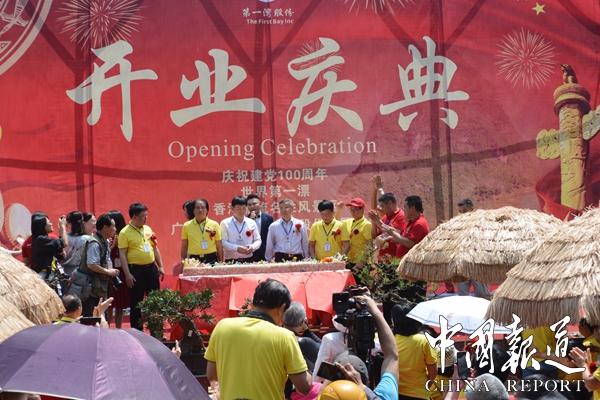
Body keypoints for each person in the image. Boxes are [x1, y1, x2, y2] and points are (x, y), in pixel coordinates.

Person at [205, 279, 312, 399]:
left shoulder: (222, 327)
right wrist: (303, 365)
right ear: (281, 308)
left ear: (252, 303)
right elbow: (304, 387)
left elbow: (212, 375)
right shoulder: (285, 337)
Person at [318, 294, 399, 400]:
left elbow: (323, 392)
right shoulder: (383, 396)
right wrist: (375, 311)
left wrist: (334, 376)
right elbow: (392, 356)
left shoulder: (325, 396)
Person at [119, 203, 165, 330]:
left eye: (146, 215)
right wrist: (127, 274)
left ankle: (156, 329)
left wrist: (161, 266)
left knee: (155, 299)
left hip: (151, 269)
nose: (146, 218)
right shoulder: (125, 232)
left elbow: (155, 248)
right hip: (136, 270)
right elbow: (122, 254)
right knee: (136, 302)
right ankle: (137, 331)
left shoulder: (148, 229)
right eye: (143, 216)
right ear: (134, 217)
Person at [383, 196, 429, 301]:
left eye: (405, 206)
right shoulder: (412, 222)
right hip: (407, 269)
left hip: (414, 270)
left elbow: (409, 243)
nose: (403, 209)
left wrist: (393, 233)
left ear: (412, 208)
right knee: (404, 298)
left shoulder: (419, 223)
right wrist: (393, 238)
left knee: (412, 299)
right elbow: (404, 240)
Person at [391, 302, 437, 399]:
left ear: (393, 321)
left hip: (395, 393)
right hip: (420, 393)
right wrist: (424, 387)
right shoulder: (423, 340)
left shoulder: (389, 341)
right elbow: (433, 371)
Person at [77, 214, 118, 317]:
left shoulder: (104, 241)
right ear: (105, 227)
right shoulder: (94, 242)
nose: (115, 229)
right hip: (90, 289)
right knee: (92, 318)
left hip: (99, 287)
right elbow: (91, 264)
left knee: (100, 317)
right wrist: (108, 272)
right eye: (113, 226)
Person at [455, 199, 491, 300]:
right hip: (462, 264)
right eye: (460, 212)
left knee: (482, 294)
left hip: (479, 264)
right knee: (462, 296)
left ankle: (486, 311)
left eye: (464, 211)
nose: (462, 214)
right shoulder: (456, 225)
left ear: (472, 209)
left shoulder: (483, 224)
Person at [335, 198, 372, 279]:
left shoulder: (366, 224)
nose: (353, 212)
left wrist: (362, 262)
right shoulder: (348, 222)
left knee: (360, 286)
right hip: (348, 262)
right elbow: (335, 223)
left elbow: (370, 245)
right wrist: (339, 210)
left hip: (360, 264)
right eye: (351, 209)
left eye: (355, 209)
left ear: (362, 210)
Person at [367, 191, 407, 262]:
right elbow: (374, 236)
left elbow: (393, 234)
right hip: (382, 259)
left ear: (390, 203)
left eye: (382, 206)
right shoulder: (385, 217)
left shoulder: (401, 216)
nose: (381, 209)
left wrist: (378, 221)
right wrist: (374, 223)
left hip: (394, 260)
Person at [181, 199, 223, 264]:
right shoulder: (187, 226)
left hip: (211, 258)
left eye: (203, 208)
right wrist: (183, 262)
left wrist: (221, 262)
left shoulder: (214, 224)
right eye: (197, 208)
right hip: (194, 260)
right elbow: (184, 246)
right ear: (193, 210)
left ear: (207, 210)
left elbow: (219, 245)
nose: (200, 210)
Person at [220, 196, 261, 263]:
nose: (241, 211)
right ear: (232, 208)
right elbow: (223, 242)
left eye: (244, 208)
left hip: (248, 260)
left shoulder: (251, 222)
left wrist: (252, 247)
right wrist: (236, 248)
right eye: (238, 208)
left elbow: (258, 240)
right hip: (231, 261)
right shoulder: (225, 223)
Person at [106, 210, 129, 328]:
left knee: (120, 303)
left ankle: (119, 328)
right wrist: (112, 246)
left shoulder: (125, 235)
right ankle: (107, 326)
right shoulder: (107, 237)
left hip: (122, 271)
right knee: (110, 302)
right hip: (110, 271)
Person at [31, 214, 67, 283]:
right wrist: (63, 227)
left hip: (50, 275)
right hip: (44, 276)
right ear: (43, 226)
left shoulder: (45, 240)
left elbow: (62, 254)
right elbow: (65, 243)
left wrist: (61, 231)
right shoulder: (41, 239)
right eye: (49, 222)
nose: (51, 224)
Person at [61, 211, 90, 289]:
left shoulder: (64, 238)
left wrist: (61, 228)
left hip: (65, 273)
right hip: (82, 273)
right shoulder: (87, 239)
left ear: (69, 224)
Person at [247, 193, 274, 262]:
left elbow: (272, 236)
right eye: (249, 205)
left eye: (254, 204)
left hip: (265, 252)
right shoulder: (245, 220)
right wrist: (250, 220)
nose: (252, 206)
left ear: (260, 203)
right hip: (250, 253)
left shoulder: (269, 218)